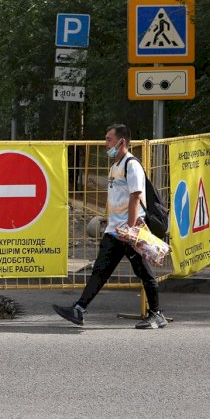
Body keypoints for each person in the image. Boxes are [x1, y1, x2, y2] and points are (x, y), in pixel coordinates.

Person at [53, 124, 168, 329]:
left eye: (109, 139)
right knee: (100, 271)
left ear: (121, 141)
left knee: (144, 272)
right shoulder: (115, 165)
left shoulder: (131, 165)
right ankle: (79, 309)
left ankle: (157, 314)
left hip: (129, 231)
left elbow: (135, 197)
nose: (106, 144)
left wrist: (131, 231)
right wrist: (111, 223)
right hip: (115, 231)